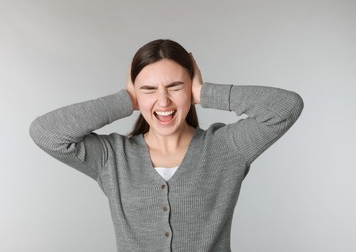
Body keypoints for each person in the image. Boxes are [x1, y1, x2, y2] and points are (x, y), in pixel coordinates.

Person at [30, 39, 304, 251]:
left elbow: (286, 107)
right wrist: (125, 99)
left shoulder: (225, 149)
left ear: (190, 89)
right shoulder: (113, 158)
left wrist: (203, 92)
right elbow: (46, 132)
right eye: (148, 90)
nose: (163, 102)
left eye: (175, 87)